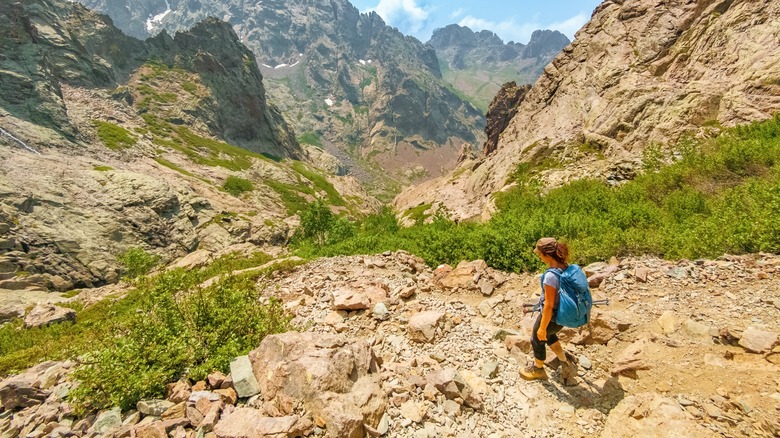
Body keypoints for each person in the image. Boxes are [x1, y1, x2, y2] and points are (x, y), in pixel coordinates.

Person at [520, 237, 577, 381]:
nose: (539, 257)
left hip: (553, 315)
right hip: (563, 315)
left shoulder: (551, 276)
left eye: (540, 254)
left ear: (546, 255)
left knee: (537, 339)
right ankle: (564, 361)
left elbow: (549, 305)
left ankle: (538, 370)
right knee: (550, 335)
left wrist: (542, 327)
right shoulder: (565, 266)